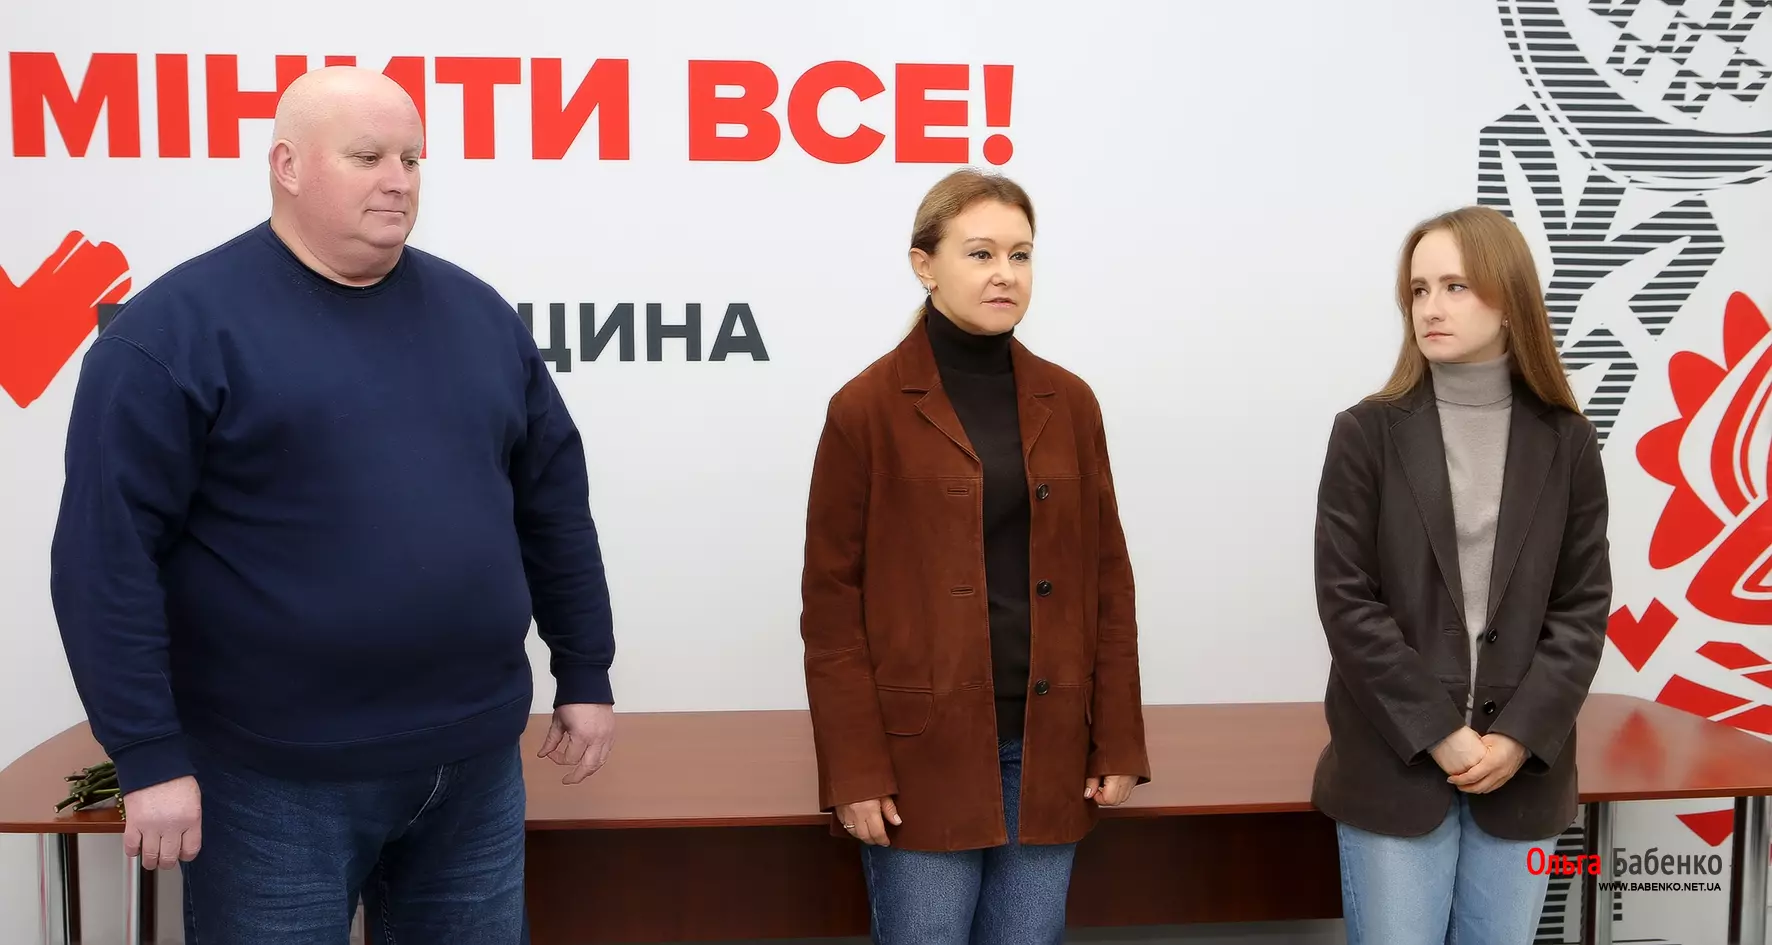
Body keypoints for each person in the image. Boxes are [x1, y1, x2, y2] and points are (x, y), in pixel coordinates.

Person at [48, 66, 617, 945]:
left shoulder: (479, 317)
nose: (398, 179)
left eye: (412, 159)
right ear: (287, 165)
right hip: (270, 780)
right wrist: (147, 751)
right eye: (367, 156)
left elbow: (552, 504)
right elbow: (104, 557)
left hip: (472, 767)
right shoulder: (172, 334)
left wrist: (584, 665)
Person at [797, 167, 1151, 944]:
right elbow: (831, 608)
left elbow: (1108, 581)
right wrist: (854, 768)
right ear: (924, 265)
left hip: (1049, 745)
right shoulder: (865, 408)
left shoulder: (1070, 401)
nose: (1005, 274)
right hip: (918, 753)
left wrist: (1118, 737)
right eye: (981, 253)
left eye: (1020, 255)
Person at [1310, 205, 1611, 943]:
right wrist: (1439, 729)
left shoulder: (1568, 440)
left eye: (1455, 286)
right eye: (1418, 290)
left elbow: (1581, 609)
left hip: (1523, 775)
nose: (1430, 308)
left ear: (1509, 302)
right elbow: (1347, 603)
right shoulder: (1366, 432)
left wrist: (1518, 737)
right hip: (1394, 765)